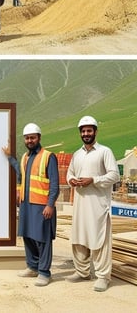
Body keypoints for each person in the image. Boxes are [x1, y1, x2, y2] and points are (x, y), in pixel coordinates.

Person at [66, 115, 120, 292]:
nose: (86, 133)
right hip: (81, 204)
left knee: (99, 239)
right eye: (83, 131)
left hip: (98, 205)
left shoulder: (105, 151)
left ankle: (103, 276)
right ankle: (82, 272)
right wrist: (72, 180)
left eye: (89, 130)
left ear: (95, 131)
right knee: (79, 237)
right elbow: (69, 174)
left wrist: (94, 180)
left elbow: (114, 175)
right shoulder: (77, 154)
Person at [2, 123, 59, 287]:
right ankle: (33, 267)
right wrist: (9, 157)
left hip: (42, 206)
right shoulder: (25, 157)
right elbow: (21, 174)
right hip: (26, 204)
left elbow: (54, 184)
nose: (30, 140)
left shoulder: (49, 156)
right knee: (27, 236)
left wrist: (50, 205)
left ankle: (44, 272)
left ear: (39, 138)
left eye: (33, 137)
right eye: (27, 138)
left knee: (43, 239)